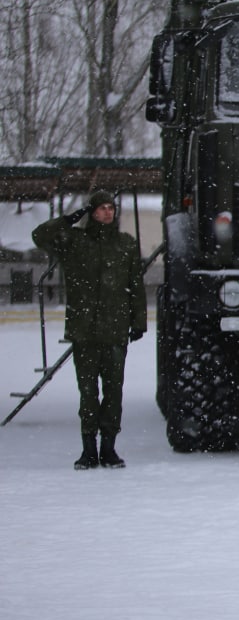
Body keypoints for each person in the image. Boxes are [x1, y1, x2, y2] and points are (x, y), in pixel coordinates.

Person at [32, 190, 147, 470]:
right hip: (85, 331)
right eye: (101, 208)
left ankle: (109, 448)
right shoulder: (74, 242)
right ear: (91, 212)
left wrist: (138, 322)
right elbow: (39, 236)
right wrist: (68, 220)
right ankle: (88, 450)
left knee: (113, 392)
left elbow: (135, 286)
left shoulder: (125, 245)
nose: (108, 213)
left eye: (111, 208)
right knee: (88, 393)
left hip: (115, 330)